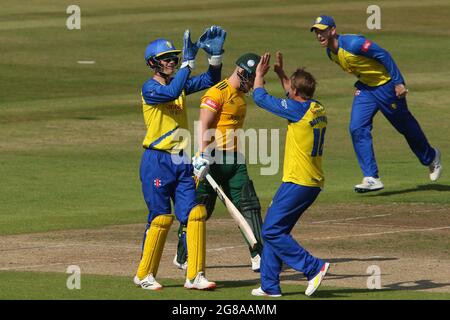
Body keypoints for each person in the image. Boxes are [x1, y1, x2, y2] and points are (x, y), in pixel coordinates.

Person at [133, 26, 226, 291]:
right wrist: (187, 63)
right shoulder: (150, 88)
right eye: (167, 58)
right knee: (161, 217)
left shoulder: (179, 84)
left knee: (195, 214)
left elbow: (210, 80)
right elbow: (171, 93)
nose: (172, 61)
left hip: (181, 161)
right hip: (156, 160)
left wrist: (215, 58)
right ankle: (144, 274)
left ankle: (195, 276)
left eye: (175, 57)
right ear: (153, 63)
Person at [311, 15, 442, 192]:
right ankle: (371, 177)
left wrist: (399, 82)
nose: (319, 35)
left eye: (323, 31)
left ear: (332, 30)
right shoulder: (330, 53)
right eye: (317, 32)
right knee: (357, 127)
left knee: (405, 126)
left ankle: (432, 157)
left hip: (386, 86)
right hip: (366, 89)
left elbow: (383, 55)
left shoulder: (354, 44)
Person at [173, 53, 264, 273]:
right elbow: (203, 123)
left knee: (249, 205)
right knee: (200, 210)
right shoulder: (217, 92)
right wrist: (203, 155)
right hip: (211, 159)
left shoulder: (241, 95)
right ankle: (183, 256)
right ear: (242, 73)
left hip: (235, 160)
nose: (254, 84)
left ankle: (260, 255)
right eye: (253, 79)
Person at [250, 52, 329, 297]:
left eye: (290, 88)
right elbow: (292, 93)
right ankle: (269, 286)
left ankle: (314, 267)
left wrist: (259, 76)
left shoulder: (296, 111)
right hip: (309, 182)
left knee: (272, 231)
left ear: (295, 91)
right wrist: (282, 74)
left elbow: (260, 98)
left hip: (299, 181)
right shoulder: (316, 107)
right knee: (275, 230)